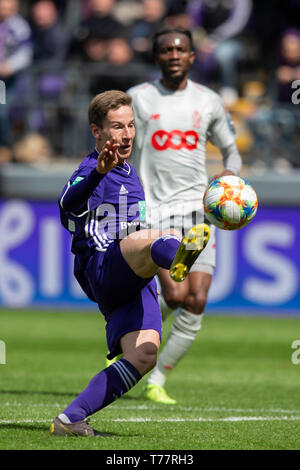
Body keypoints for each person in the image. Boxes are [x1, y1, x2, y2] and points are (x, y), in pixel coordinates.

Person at [51, 89, 210, 436]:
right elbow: (66, 204)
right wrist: (96, 173)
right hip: (102, 266)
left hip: (132, 276)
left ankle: (70, 420)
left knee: (144, 356)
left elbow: (134, 228)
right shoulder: (92, 169)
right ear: (97, 132)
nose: (126, 134)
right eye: (116, 127)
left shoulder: (130, 174)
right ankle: (176, 254)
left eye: (131, 125)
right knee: (160, 234)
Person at [127, 28, 242, 404]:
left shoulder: (208, 101)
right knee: (174, 294)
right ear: (157, 56)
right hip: (157, 213)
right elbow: (121, 145)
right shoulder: (139, 99)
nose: (174, 54)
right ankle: (129, 330)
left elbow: (231, 150)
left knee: (196, 300)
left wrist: (230, 174)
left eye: (181, 49)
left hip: (197, 214)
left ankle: (157, 379)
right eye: (166, 49)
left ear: (193, 56)